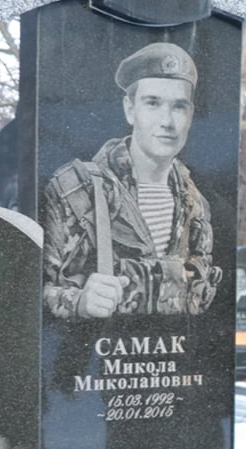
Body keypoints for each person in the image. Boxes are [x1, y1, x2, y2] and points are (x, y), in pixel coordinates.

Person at [41, 41, 222, 319]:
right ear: (130, 109)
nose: (167, 121)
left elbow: (203, 292)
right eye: (153, 103)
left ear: (190, 116)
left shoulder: (195, 202)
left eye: (179, 107)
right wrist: (79, 302)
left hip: (170, 355)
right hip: (95, 357)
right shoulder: (74, 190)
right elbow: (36, 291)